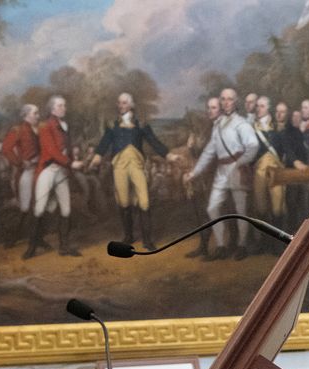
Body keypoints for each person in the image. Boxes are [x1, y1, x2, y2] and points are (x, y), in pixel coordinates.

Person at [187, 87, 260, 259]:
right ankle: (220, 246)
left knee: (241, 210)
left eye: (229, 99)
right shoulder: (218, 125)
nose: (226, 102)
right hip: (221, 172)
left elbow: (253, 146)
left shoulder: (241, 124)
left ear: (235, 102)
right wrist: (194, 173)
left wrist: (240, 163)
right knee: (213, 208)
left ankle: (241, 246)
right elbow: (208, 152)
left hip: (236, 170)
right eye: (223, 99)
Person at [91, 91, 170, 248]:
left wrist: (168, 154)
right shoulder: (112, 125)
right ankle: (129, 236)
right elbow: (105, 142)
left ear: (131, 105)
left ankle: (147, 240)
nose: (121, 106)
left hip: (136, 165)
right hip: (119, 165)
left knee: (144, 200)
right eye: (119, 103)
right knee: (124, 201)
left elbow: (153, 141)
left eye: (125, 103)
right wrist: (98, 155)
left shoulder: (141, 124)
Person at [25, 95, 79, 259]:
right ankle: (32, 248)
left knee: (66, 209)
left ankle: (64, 247)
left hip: (62, 172)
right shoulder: (45, 126)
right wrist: (70, 163)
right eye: (60, 106)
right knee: (39, 209)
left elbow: (66, 149)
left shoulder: (65, 125)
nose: (64, 108)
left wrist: (72, 161)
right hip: (48, 171)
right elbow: (51, 151)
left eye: (64, 105)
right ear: (52, 109)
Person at [1, 103, 42, 219]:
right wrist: (20, 162)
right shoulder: (18, 130)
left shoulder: (40, 130)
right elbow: (6, 149)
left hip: (41, 167)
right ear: (26, 115)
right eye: (35, 113)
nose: (38, 116)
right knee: (26, 205)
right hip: (28, 170)